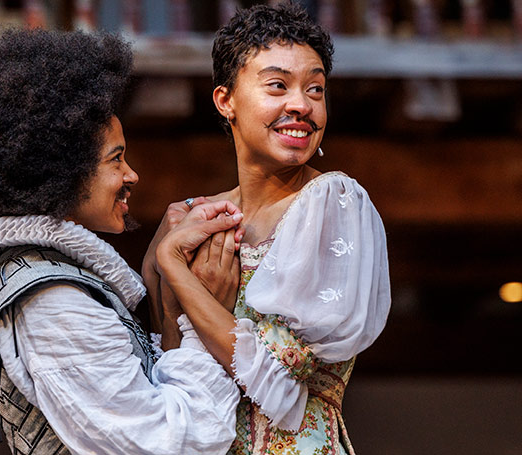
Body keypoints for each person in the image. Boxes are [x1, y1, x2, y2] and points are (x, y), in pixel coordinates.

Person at [0, 29, 244, 455]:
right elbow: (168, 445)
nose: (131, 176)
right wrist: (207, 323)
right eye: (116, 159)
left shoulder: (50, 277)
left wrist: (167, 297)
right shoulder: (54, 302)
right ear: (62, 170)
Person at [148, 3, 392, 454]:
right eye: (278, 85)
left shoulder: (334, 202)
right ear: (226, 101)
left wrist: (173, 268)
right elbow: (173, 363)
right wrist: (162, 282)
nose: (300, 105)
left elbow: (277, 379)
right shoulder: (196, 217)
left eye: (316, 90)